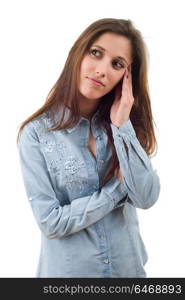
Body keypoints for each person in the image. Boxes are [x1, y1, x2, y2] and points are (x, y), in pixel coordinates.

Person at [16, 18, 160, 278]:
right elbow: (51, 222)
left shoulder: (125, 126)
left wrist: (122, 127)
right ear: (78, 53)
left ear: (125, 77)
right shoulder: (35, 135)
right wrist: (116, 191)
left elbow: (146, 197)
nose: (102, 70)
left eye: (117, 64)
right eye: (96, 53)